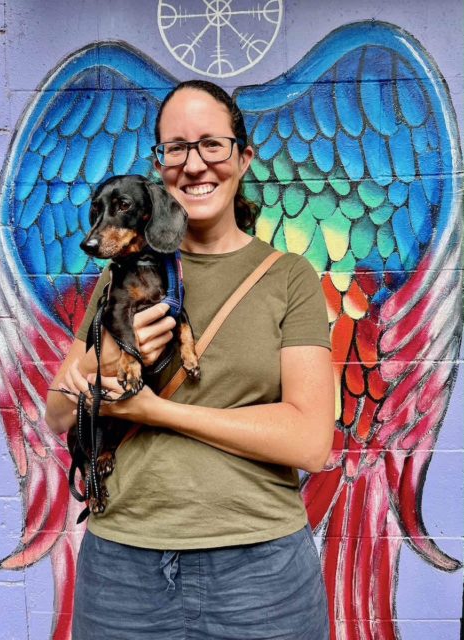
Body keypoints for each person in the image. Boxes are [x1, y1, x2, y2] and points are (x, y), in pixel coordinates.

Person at [46, 79, 335, 640]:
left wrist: (157, 412)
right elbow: (59, 413)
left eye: (212, 144)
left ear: (243, 156)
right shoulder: (121, 275)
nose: (194, 164)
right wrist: (105, 358)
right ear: (160, 165)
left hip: (262, 571)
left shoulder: (290, 278)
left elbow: (309, 442)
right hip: (124, 567)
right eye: (175, 148)